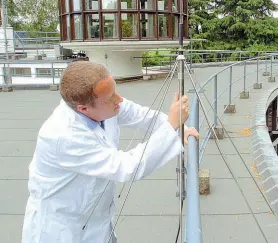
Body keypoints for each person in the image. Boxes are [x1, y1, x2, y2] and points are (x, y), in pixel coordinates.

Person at [21, 61, 199, 243]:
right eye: (110, 97)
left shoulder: (101, 104)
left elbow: (140, 115)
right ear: (83, 108)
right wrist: (171, 126)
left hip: (95, 222)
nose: (119, 99)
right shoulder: (63, 136)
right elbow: (127, 167)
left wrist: (179, 129)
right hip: (63, 230)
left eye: (115, 91)